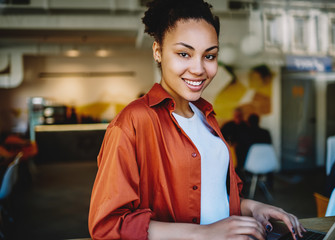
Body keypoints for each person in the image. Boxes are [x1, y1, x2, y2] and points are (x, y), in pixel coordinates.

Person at [88, 0, 305, 239]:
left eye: (209, 56)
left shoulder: (207, 117)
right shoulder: (132, 122)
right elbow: (108, 225)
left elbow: (215, 198)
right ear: (157, 51)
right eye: (184, 54)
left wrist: (253, 207)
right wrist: (203, 234)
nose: (199, 68)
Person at [221, 107, 251, 175]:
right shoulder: (228, 125)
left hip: (243, 151)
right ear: (233, 116)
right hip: (230, 150)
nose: (238, 117)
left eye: (239, 116)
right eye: (236, 115)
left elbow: (249, 139)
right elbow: (220, 136)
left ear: (242, 116)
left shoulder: (246, 126)